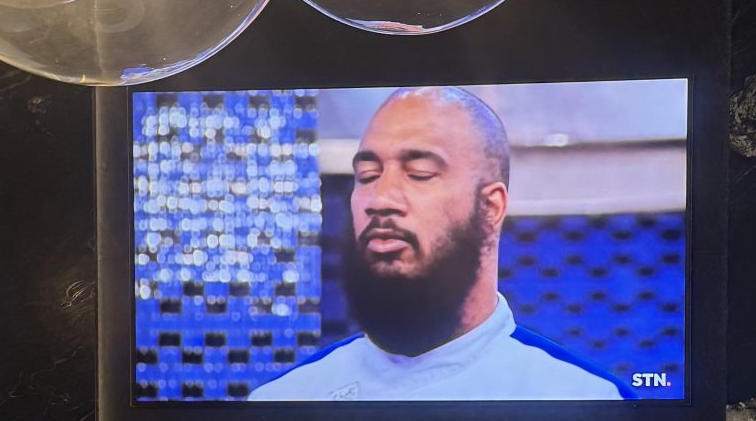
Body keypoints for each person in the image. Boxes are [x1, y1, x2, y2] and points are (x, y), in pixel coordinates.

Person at [250, 86, 623, 401]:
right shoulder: (283, 400)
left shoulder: (585, 399)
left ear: (491, 207)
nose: (381, 199)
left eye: (419, 174)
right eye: (367, 175)